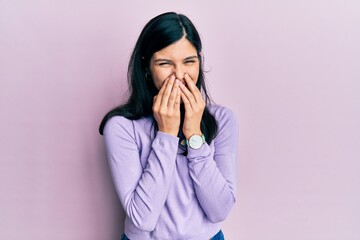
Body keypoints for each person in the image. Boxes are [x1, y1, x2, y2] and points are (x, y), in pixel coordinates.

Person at [99, 12, 239, 240]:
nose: (180, 75)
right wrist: (166, 134)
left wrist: (194, 135)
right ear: (146, 67)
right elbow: (142, 219)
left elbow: (220, 210)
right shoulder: (121, 127)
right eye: (165, 63)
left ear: (200, 61)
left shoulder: (223, 120)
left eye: (189, 62)